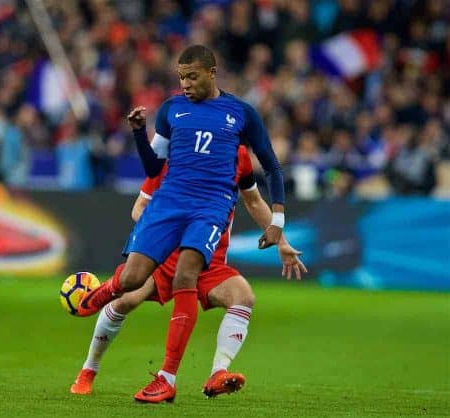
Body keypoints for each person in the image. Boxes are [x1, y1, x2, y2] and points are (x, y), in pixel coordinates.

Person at [78, 45, 286, 402]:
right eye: (181, 77)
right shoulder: (172, 110)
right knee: (130, 281)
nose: (186, 84)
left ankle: (170, 377)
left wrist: (278, 222)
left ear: (212, 72)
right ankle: (105, 295)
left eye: (192, 76)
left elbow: (271, 168)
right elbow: (153, 170)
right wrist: (138, 133)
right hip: (170, 204)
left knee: (194, 278)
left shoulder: (240, 114)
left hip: (209, 211)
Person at [71, 147, 306, 401]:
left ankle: (218, 374)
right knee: (126, 299)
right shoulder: (176, 154)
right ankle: (88, 370)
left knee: (243, 296)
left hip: (209, 260)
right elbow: (139, 207)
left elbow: (254, 201)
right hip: (166, 256)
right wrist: (167, 230)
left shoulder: (237, 156)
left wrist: (281, 242)